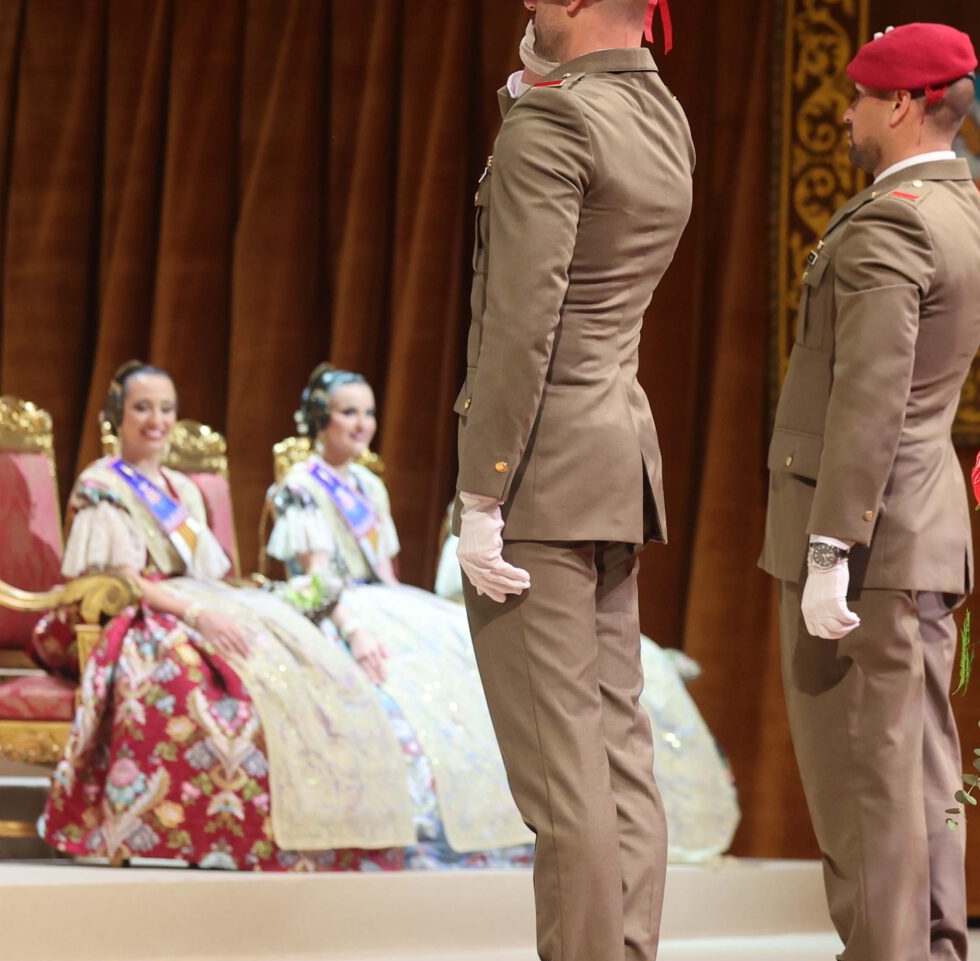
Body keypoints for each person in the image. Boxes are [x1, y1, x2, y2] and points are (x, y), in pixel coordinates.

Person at [443, 0, 693, 961]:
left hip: (540, 469)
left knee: (561, 778)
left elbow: (518, 328)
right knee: (616, 757)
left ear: (581, 3)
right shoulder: (660, 114)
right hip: (617, 453)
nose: (529, 14)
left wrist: (478, 494)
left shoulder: (551, 127)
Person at [756, 23, 980, 961]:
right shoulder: (974, 213)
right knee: (918, 775)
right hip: (925, 524)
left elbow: (867, 402)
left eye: (862, 100)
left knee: (867, 774)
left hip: (867, 533)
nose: (851, 115)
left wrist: (828, 550)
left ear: (904, 107)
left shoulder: (886, 229)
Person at [268, 366, 738, 868]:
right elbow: (316, 576)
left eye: (367, 413)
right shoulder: (302, 484)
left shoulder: (367, 483)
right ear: (321, 418)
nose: (361, 424)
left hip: (386, 598)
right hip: (338, 604)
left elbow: (385, 571)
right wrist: (358, 629)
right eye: (347, 413)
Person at [42, 362, 416, 868]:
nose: (156, 419)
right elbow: (127, 583)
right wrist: (198, 614)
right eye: (142, 408)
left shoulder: (184, 488)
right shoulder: (102, 483)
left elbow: (206, 572)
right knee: (203, 683)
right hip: (141, 617)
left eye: (166, 408)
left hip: (199, 603)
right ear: (117, 416)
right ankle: (188, 827)